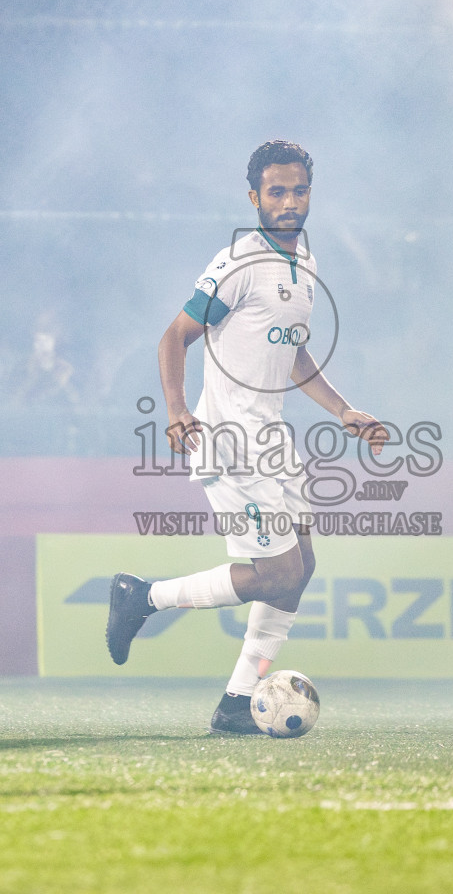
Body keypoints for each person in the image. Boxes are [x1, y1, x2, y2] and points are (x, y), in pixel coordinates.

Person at [105, 140, 387, 734]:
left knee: (301, 566)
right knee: (279, 572)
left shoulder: (304, 263)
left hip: (273, 436)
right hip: (231, 438)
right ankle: (142, 597)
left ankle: (236, 704)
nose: (289, 201)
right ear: (254, 197)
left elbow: (292, 354)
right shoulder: (237, 260)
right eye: (276, 192)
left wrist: (343, 410)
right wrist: (178, 410)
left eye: (299, 190)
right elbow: (173, 337)